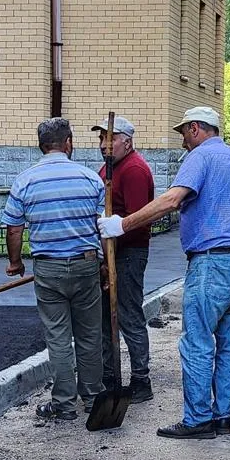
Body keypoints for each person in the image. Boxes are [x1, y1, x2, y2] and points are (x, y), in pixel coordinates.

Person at [99, 106, 230, 439]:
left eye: (184, 132)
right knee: (228, 345)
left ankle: (198, 419)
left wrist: (121, 224)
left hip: (212, 263)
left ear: (197, 129)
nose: (182, 140)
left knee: (197, 343)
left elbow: (172, 200)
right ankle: (221, 417)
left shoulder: (200, 157)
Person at [3, 118, 107, 421]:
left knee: (59, 338)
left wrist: (15, 262)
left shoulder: (26, 181)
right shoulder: (90, 179)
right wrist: (103, 265)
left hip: (48, 268)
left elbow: (14, 228)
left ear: (41, 145)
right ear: (69, 143)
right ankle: (92, 398)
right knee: (89, 335)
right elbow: (103, 226)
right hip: (87, 264)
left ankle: (63, 405)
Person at [94, 115, 155, 403]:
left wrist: (113, 254)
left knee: (128, 315)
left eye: (110, 138)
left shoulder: (133, 170)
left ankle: (141, 380)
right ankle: (109, 375)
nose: (104, 145)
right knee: (106, 316)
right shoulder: (107, 170)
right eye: (100, 139)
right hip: (109, 252)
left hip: (128, 253)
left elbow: (138, 221)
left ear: (126, 142)